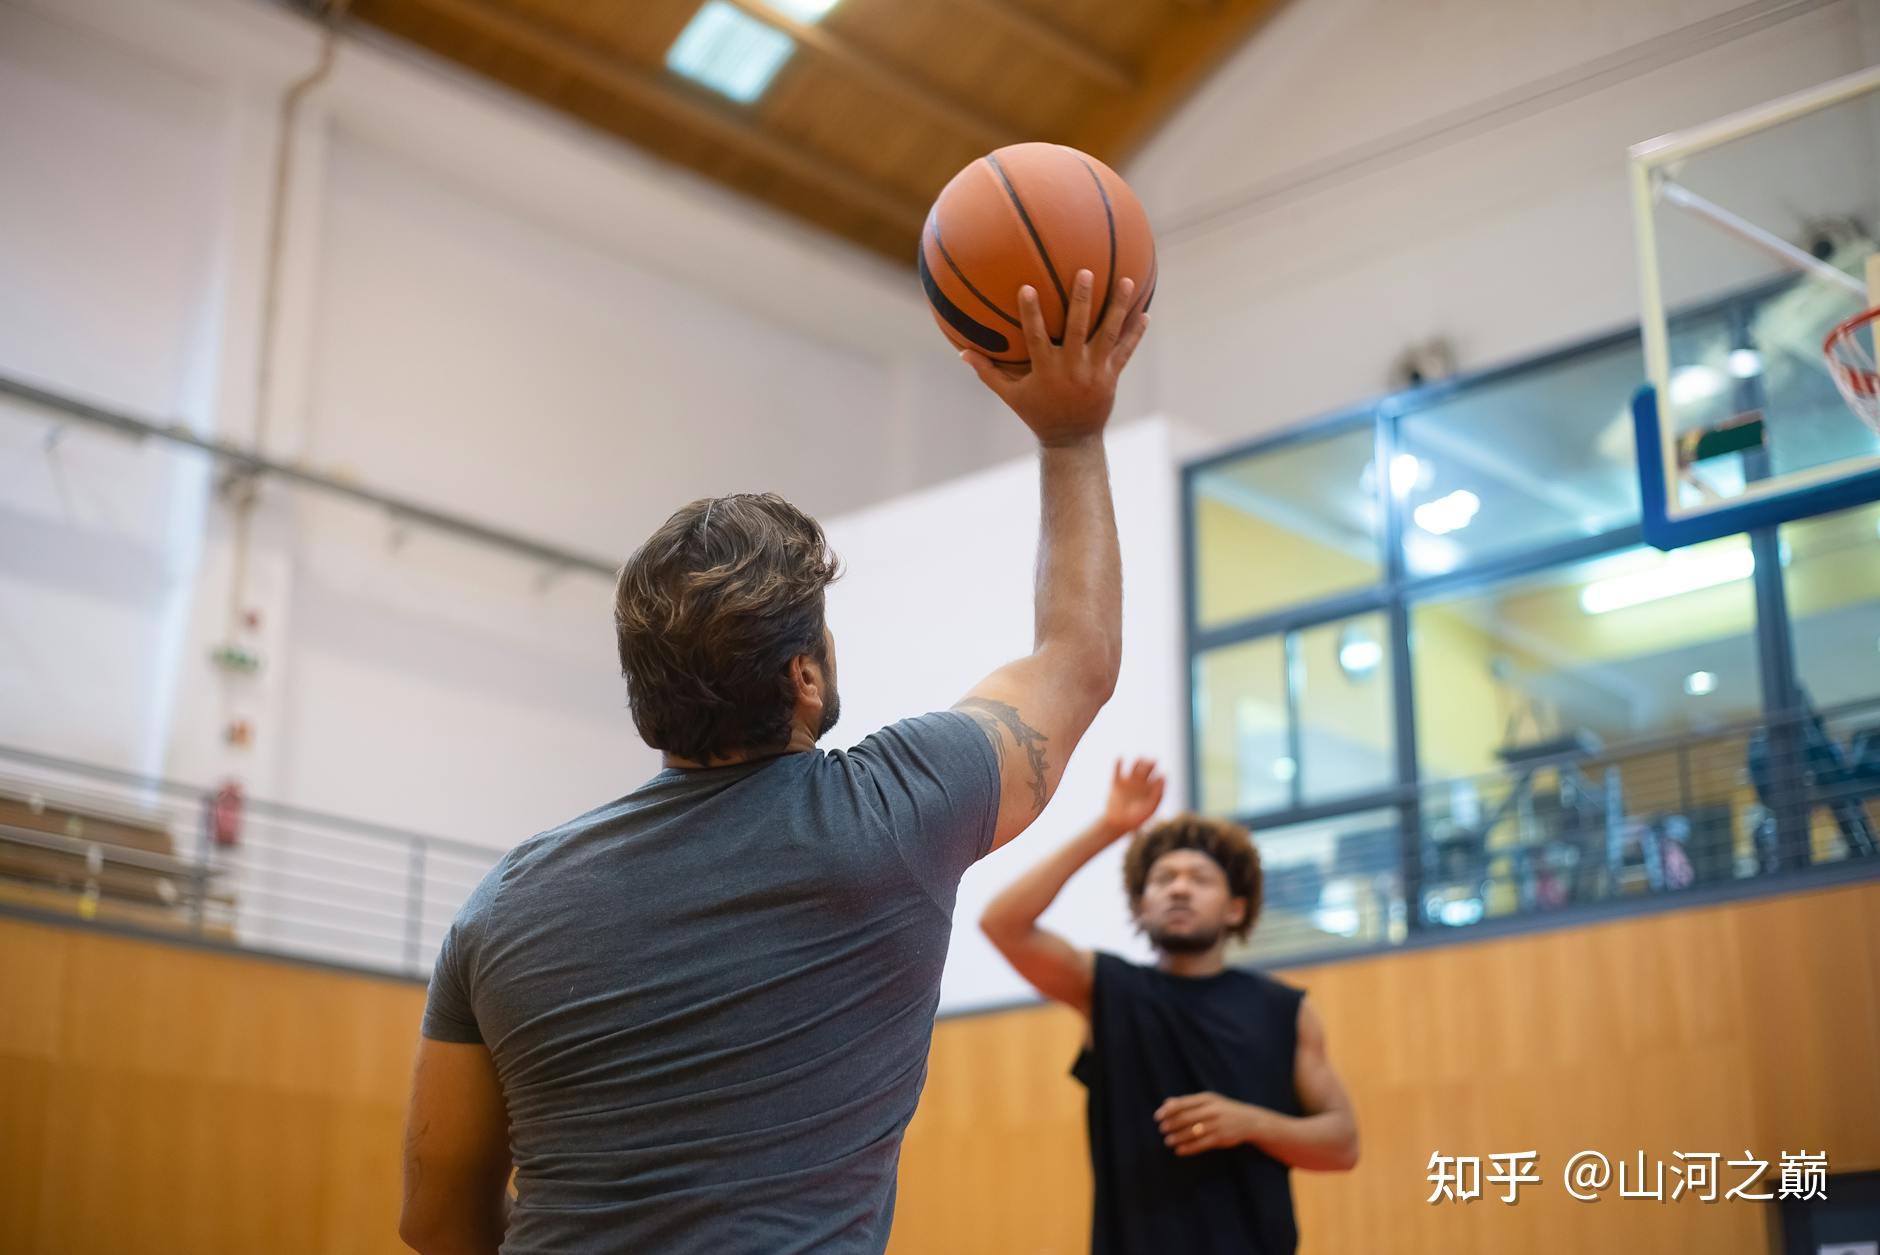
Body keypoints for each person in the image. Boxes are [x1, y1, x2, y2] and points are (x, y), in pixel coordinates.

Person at [397, 271, 1149, 1255]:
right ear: (803, 675)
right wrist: (1070, 435)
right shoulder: (897, 810)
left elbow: (435, 1223)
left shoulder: (501, 906)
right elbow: (1076, 661)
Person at [980, 758, 1360, 1255]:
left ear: (1235, 908)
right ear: (1141, 906)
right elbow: (1003, 924)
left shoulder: (1284, 1010)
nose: (1179, 887)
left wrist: (1250, 1123)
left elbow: (1342, 1143)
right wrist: (1110, 828)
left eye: (1199, 879)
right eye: (1163, 880)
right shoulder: (1108, 988)